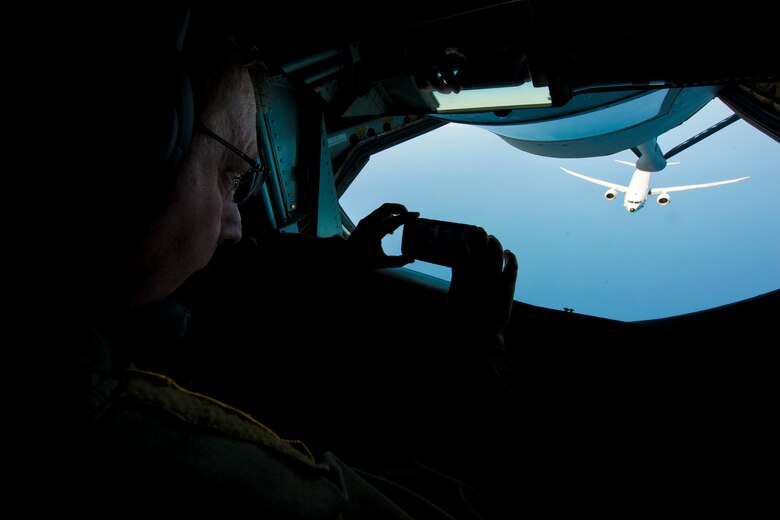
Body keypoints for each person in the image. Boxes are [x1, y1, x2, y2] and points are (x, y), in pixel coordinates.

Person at [35, 9, 525, 518]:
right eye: (231, 177)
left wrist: (346, 260)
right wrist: (482, 348)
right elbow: (465, 511)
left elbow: (244, 275)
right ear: (149, 141)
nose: (235, 227)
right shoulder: (118, 425)